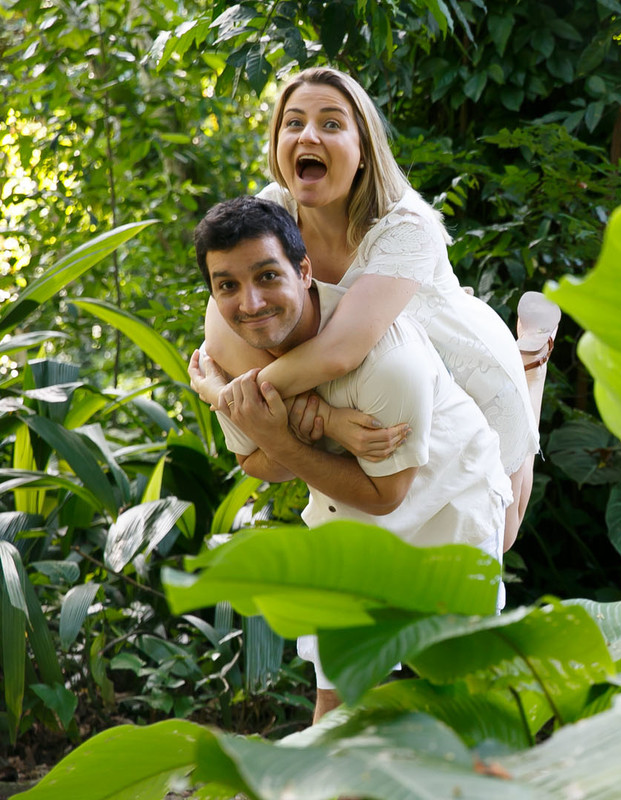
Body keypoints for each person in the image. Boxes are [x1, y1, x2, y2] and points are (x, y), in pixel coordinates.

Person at [189, 66, 558, 552]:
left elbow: (338, 351)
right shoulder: (274, 208)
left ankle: (531, 363)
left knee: (500, 529)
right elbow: (225, 332)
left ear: (363, 151)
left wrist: (224, 395)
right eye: (293, 123)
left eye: (332, 123)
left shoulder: (407, 226)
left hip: (463, 366)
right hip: (376, 376)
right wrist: (329, 420)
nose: (308, 135)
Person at [194, 195, 512, 722]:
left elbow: (385, 495)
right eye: (227, 285)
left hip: (447, 504)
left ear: (304, 271)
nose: (249, 303)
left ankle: (527, 363)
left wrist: (252, 412)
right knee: (340, 701)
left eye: (268, 276)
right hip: (348, 513)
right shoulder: (230, 346)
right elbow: (258, 462)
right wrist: (307, 420)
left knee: (463, 700)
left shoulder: (388, 363)